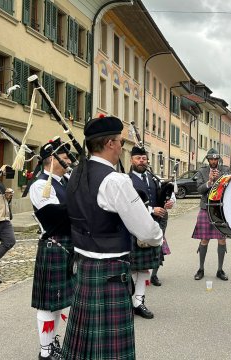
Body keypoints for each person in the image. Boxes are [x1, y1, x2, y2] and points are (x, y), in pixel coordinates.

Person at [62, 116, 163, 360]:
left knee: (84, 350)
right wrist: (158, 237)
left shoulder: (76, 173)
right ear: (109, 143)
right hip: (109, 270)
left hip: (84, 265)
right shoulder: (116, 180)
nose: (122, 147)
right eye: (120, 142)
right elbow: (147, 231)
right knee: (110, 353)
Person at [30, 140, 74, 360]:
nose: (68, 162)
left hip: (66, 246)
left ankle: (52, 341)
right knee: (48, 304)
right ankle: (45, 351)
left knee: (58, 302)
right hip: (54, 245)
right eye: (64, 158)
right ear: (51, 160)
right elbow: (55, 216)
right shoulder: (40, 185)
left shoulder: (64, 181)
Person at [128, 146, 174, 319]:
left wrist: (168, 202)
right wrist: (150, 210)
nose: (141, 161)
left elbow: (163, 196)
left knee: (145, 269)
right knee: (132, 268)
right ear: (132, 160)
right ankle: (128, 302)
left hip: (151, 228)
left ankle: (139, 302)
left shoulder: (152, 178)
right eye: (138, 158)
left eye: (144, 158)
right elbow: (128, 204)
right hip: (133, 228)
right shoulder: (126, 179)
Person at [192, 148, 230, 281]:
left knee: (222, 239)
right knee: (204, 239)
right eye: (211, 159)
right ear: (208, 160)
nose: (213, 161)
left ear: (218, 159)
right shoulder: (202, 171)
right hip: (206, 207)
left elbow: (229, 187)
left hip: (220, 208)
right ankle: (201, 269)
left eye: (215, 159)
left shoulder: (225, 170)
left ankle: (220, 270)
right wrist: (209, 181)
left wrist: (218, 179)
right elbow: (199, 190)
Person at [0, 168, 16, 284]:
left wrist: (8, 197)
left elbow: (4, 203)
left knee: (10, 241)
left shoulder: (0, 184)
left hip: (4, 220)